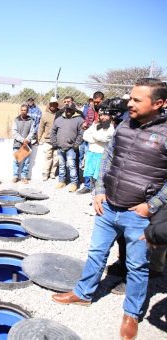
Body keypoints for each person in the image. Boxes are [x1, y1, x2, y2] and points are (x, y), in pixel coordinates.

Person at [52, 78, 167, 340]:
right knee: (96, 253)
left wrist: (152, 207)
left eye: (137, 100)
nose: (130, 103)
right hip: (108, 208)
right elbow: (108, 159)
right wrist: (99, 191)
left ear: (159, 103)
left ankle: (131, 314)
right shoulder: (125, 124)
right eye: (131, 98)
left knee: (137, 266)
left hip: (138, 215)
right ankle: (83, 293)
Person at [50, 103, 84, 192]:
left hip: (71, 148)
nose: (68, 111)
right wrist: (54, 143)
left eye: (70, 110)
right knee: (61, 165)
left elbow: (81, 133)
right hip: (60, 147)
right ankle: (62, 181)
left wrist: (76, 144)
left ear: (74, 110)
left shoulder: (79, 120)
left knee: (72, 166)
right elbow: (53, 131)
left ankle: (74, 183)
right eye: (67, 109)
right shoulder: (59, 119)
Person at [77, 91, 105, 194]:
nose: (97, 104)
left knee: (98, 166)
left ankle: (97, 187)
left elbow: (105, 126)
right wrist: (85, 124)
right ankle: (87, 185)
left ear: (102, 100)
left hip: (99, 141)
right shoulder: (89, 109)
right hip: (89, 138)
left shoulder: (105, 110)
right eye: (95, 102)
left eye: (98, 102)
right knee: (88, 163)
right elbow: (88, 122)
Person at [81, 110, 114, 190]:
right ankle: (90, 191)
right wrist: (95, 137)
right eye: (101, 115)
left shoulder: (110, 127)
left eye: (105, 115)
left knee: (99, 176)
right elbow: (85, 135)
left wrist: (93, 135)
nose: (103, 117)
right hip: (92, 152)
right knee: (90, 174)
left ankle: (98, 194)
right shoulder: (96, 125)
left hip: (101, 153)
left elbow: (104, 138)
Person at [37, 97, 61, 181]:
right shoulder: (45, 115)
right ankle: (45, 173)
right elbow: (41, 128)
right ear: (49, 105)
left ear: (57, 105)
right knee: (48, 157)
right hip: (48, 140)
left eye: (54, 104)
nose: (53, 106)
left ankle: (52, 173)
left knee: (56, 158)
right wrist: (38, 138)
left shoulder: (60, 114)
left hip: (58, 140)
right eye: (51, 104)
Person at [12, 104, 35, 184]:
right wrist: (22, 140)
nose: (23, 111)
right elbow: (14, 132)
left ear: (27, 111)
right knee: (16, 160)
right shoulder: (16, 120)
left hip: (27, 144)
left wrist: (27, 139)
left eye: (25, 110)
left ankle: (24, 176)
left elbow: (32, 131)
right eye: (22, 110)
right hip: (18, 144)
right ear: (20, 110)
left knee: (27, 161)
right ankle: (15, 176)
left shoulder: (31, 120)